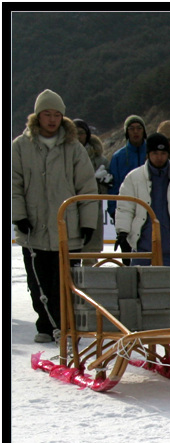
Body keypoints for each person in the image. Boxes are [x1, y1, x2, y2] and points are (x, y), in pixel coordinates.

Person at [12, 89, 98, 343]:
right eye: (47, 114)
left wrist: (87, 222)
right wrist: (19, 216)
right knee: (38, 280)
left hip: (67, 228)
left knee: (67, 281)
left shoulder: (73, 148)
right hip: (34, 228)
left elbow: (86, 187)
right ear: (37, 116)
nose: (51, 120)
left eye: (57, 115)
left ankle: (67, 325)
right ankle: (45, 325)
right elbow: (13, 184)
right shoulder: (20, 146)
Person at [114, 133, 170, 327]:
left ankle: (168, 317)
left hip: (169, 241)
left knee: (168, 285)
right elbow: (124, 206)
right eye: (155, 153)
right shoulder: (134, 178)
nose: (159, 157)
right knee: (138, 283)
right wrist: (122, 232)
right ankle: (137, 319)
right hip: (142, 241)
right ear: (148, 154)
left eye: (163, 153)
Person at [74, 118, 112, 266]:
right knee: (69, 257)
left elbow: (106, 191)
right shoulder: (62, 156)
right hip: (70, 210)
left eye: (81, 133)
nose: (78, 136)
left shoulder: (100, 160)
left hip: (93, 212)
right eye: (74, 133)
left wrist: (101, 182)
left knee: (91, 256)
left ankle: (91, 288)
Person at [107, 115, 147, 224]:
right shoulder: (118, 157)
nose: (135, 132)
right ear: (126, 132)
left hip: (150, 208)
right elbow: (114, 186)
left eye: (139, 128)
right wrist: (113, 211)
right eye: (131, 128)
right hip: (126, 210)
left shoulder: (152, 153)